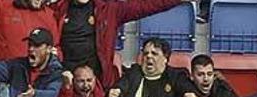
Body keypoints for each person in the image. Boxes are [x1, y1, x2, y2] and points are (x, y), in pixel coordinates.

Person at [50, 0, 184, 90]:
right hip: (65, 82)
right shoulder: (57, 9)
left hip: (97, 83)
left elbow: (145, 5)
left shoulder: (109, 9)